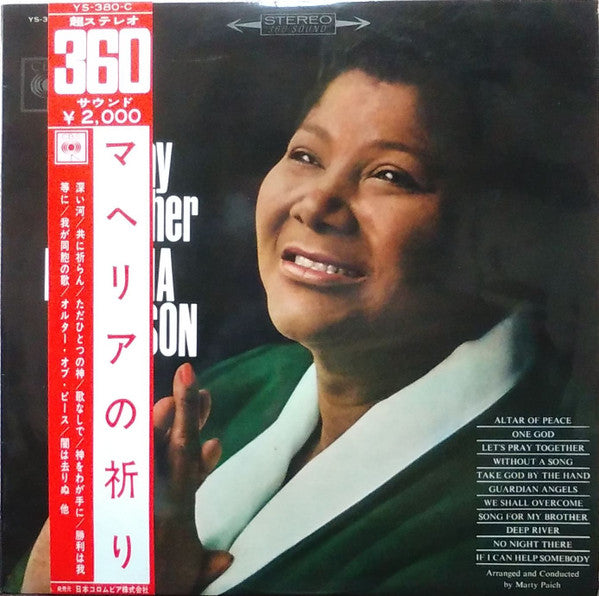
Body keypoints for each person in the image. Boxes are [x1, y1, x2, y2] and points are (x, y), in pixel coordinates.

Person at [21, 5, 597, 595]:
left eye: (391, 175)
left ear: (505, 233)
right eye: (306, 155)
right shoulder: (235, 389)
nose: (316, 203)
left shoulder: (524, 509)